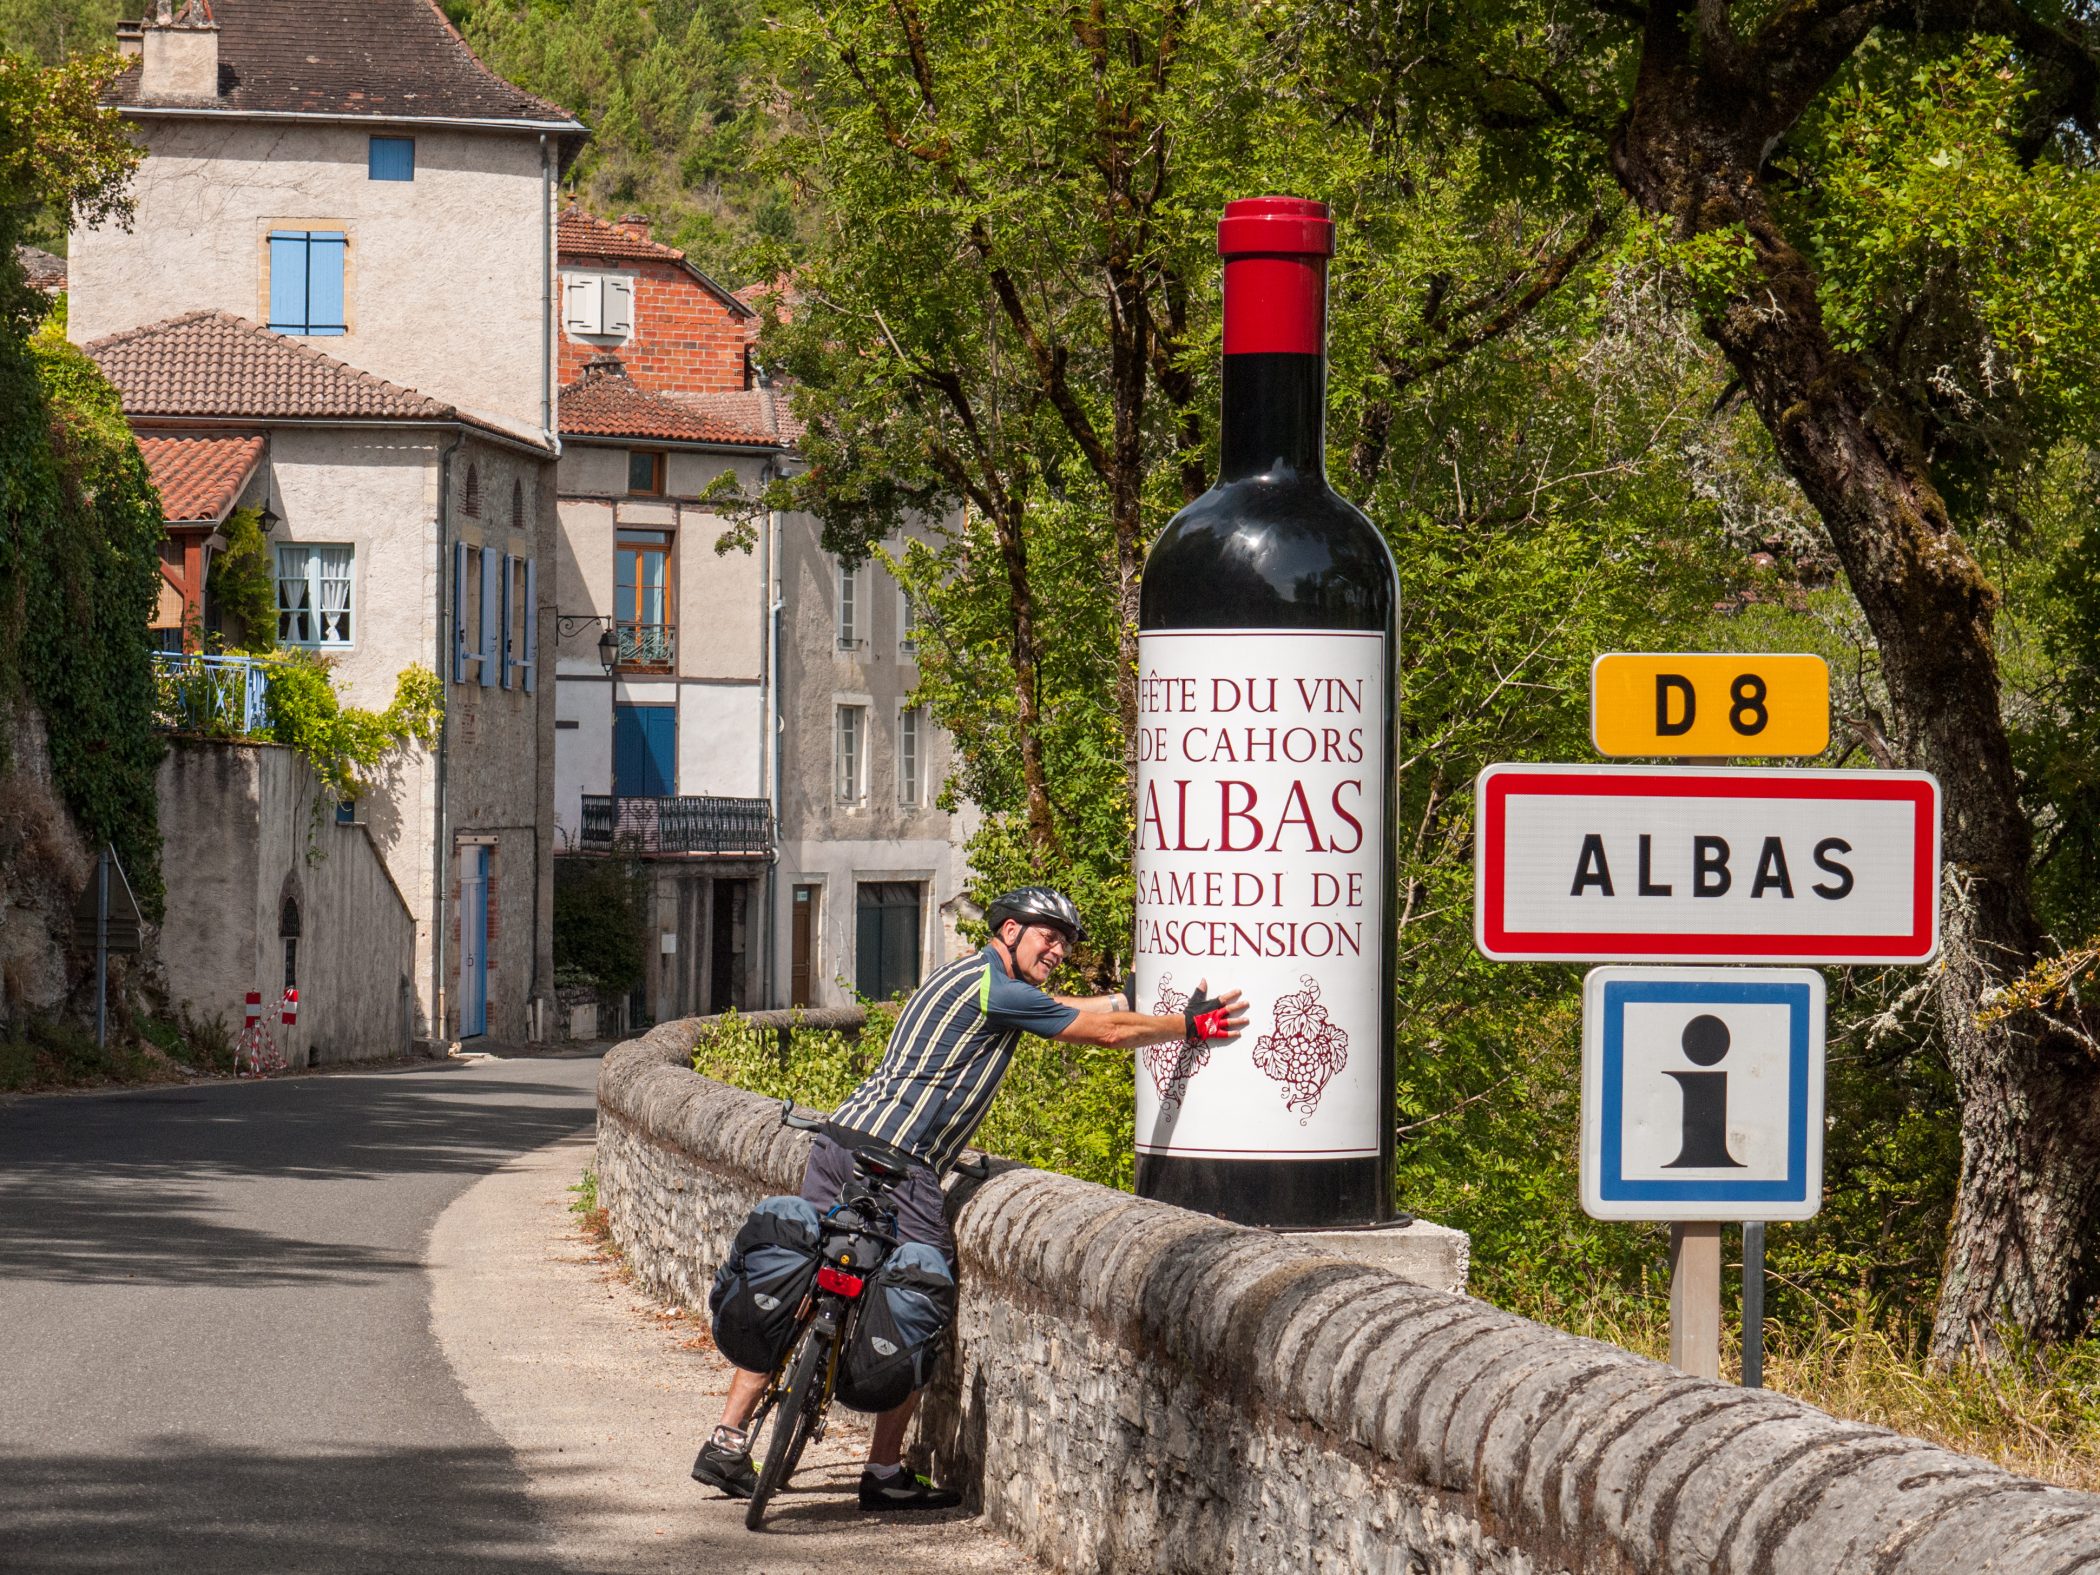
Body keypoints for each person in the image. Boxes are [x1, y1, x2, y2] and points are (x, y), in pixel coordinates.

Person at [692, 885, 1247, 1511]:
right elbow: (1108, 1034)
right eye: (1048, 936)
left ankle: (728, 1441)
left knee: (804, 1270)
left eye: (1063, 941)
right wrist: (1188, 1025)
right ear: (1008, 931)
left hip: (840, 1140)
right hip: (906, 1165)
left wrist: (1128, 997)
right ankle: (882, 1471)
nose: (1059, 949)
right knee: (918, 1293)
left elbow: (1069, 1005)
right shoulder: (1000, 989)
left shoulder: (967, 978)